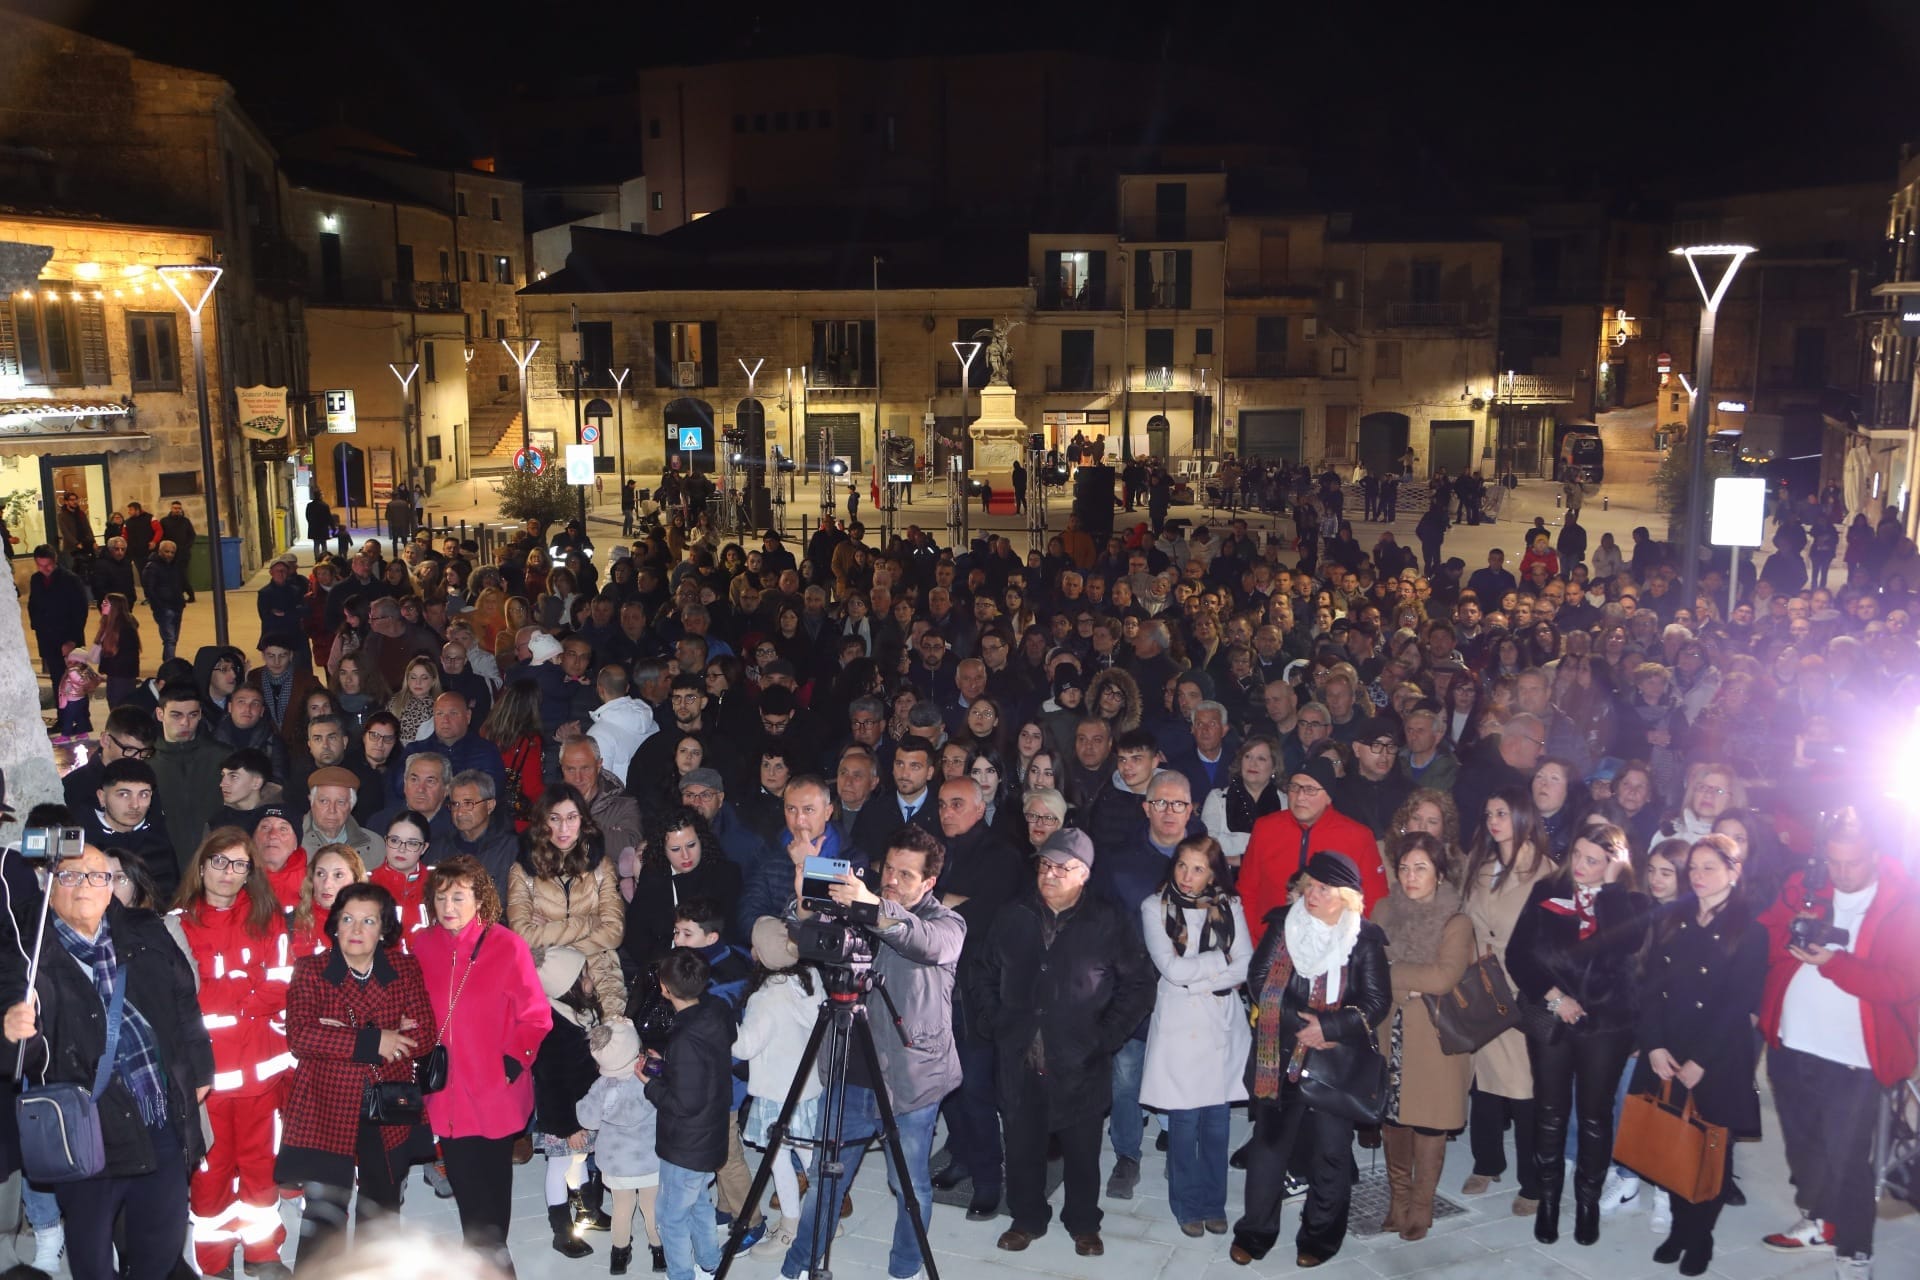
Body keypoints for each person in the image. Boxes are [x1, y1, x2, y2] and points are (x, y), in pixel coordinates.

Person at [0, 845, 214, 1280]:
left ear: (112, 886)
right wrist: (10, 1029)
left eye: (98, 876)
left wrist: (200, 1069)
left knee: (161, 1243)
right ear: (50, 887)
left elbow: (184, 1004)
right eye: (70, 876)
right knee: (92, 1257)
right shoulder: (26, 949)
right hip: (85, 1128)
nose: (85, 886)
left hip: (158, 1113)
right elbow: (16, 1049)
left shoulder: (144, 930)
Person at [777, 824, 966, 1280]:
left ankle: (905, 1267)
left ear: (929, 882)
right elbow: (805, 936)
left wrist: (871, 906)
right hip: (850, 1069)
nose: (892, 881)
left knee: (909, 1185)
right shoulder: (856, 908)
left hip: (910, 1078)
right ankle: (798, 1265)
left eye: (906, 875)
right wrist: (805, 898)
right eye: (889, 870)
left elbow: (919, 940)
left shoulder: (947, 924)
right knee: (825, 1180)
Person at [974, 828, 1156, 1259]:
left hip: (1080, 1058)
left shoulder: (1108, 920)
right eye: (1045, 864)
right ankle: (1026, 1218)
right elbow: (983, 972)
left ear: (1084, 874)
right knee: (1021, 1145)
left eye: (1062, 868)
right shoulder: (1014, 914)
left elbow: (1139, 985)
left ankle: (1083, 1222)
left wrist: (1105, 1037)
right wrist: (996, 1021)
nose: (1050, 874)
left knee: (1082, 1151)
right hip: (1020, 1054)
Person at [1757, 808, 1920, 1276]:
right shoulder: (1805, 886)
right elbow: (1765, 942)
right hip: (1791, 1042)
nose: (1842, 873)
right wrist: (1790, 931)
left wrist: (1833, 963)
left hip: (1854, 1057)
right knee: (1802, 1147)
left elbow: (1902, 984)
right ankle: (1818, 1219)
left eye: (1853, 863)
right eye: (1834, 862)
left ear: (1876, 856)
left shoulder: (1903, 905)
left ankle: (1854, 1249)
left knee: (1847, 1158)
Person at [1231, 850, 1391, 1268]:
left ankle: (1320, 1238)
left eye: (1324, 889)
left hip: (1334, 1063)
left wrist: (1330, 1028)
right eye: (1310, 885)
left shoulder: (1364, 939)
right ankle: (1255, 1233)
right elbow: (1260, 980)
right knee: (1268, 1148)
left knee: (1331, 1152)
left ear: (1346, 897)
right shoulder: (1285, 924)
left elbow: (1376, 1001)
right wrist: (1300, 1025)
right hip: (1280, 1053)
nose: (1312, 894)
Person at [1505, 823, 1651, 1247]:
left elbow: (1627, 943)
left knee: (1594, 1115)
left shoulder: (1631, 902)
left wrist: (1612, 889)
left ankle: (1588, 1204)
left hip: (1607, 1024)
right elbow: (1517, 955)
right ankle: (1549, 1200)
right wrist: (1555, 998)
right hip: (1553, 1017)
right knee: (1549, 1111)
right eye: (1578, 856)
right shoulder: (1548, 891)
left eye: (1594, 861)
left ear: (1615, 864)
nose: (1581, 866)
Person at [277, 882, 436, 1261]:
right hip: (327, 1104)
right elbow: (301, 1037)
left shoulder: (403, 967)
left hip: (388, 1103)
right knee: (324, 1210)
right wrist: (376, 1039)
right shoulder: (312, 969)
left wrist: (339, 1036)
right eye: (348, 919)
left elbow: (425, 1036)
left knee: (382, 1205)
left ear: (384, 929)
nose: (356, 929)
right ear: (335, 924)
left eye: (369, 921)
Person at [1634, 834, 1769, 1276]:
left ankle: (1700, 1236)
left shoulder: (1751, 931)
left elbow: (1739, 1002)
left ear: (1733, 871)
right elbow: (1650, 984)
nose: (1698, 876)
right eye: (1693, 867)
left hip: (1717, 1055)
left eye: (1710, 867)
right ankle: (1679, 1228)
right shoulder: (1672, 918)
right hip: (1669, 1047)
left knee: (1711, 1149)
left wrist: (1702, 1061)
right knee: (1672, 1140)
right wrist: (1654, 1043)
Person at [413, 855, 552, 1271]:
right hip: (446, 1094)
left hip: (495, 1094)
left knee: (491, 1200)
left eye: (458, 897)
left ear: (480, 899)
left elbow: (536, 1017)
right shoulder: (422, 945)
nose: (448, 907)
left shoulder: (507, 945)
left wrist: (511, 1064)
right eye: (441, 897)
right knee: (470, 1199)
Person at [174, 828, 295, 1280]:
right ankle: (215, 1261)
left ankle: (263, 1253)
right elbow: (180, 997)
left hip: (261, 1072)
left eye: (239, 864)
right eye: (220, 862)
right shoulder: (178, 924)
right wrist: (242, 988)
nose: (228, 873)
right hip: (207, 1078)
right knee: (211, 1171)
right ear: (202, 866)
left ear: (250, 873)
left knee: (261, 1165)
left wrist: (231, 998)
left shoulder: (267, 917)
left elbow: (281, 981)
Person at [1140, 834, 1252, 1237]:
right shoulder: (1155, 906)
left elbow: (1246, 965)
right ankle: (1187, 1205)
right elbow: (1171, 969)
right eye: (1182, 865)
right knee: (1184, 1121)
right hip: (1180, 1027)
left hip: (1220, 1024)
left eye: (1198, 869)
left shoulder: (1230, 905)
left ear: (1213, 874)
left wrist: (1200, 978)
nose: (1187, 876)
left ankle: (1213, 1203)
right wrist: (1219, 962)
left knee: (1217, 1123)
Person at [1372, 831, 1472, 1241]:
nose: (1411, 877)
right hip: (1390, 1032)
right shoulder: (1383, 910)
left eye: (1421, 868)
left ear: (1440, 874)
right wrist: (1408, 986)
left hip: (1436, 1039)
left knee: (1430, 1122)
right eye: (1404, 868)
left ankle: (1422, 1205)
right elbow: (1367, 967)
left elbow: (1443, 977)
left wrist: (1393, 974)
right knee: (1393, 1119)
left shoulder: (1456, 920)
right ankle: (1398, 1200)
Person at [1461, 785, 1555, 1213]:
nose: (1493, 821)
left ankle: (1532, 1182)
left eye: (1501, 813)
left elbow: (1551, 941)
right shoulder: (1480, 866)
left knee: (1524, 1090)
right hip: (1483, 984)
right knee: (1484, 1083)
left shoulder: (1545, 871)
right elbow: (1468, 923)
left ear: (1521, 817)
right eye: (1488, 814)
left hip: (1521, 989)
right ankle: (1487, 1162)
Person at [734, 917, 825, 1261]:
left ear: (758, 955)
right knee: (812, 1158)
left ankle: (790, 1227)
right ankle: (825, 1220)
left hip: (777, 1094)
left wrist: (729, 1027)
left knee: (779, 1160)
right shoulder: (811, 978)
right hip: (808, 1088)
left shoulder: (765, 998)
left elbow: (744, 1047)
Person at [645, 947, 732, 1280]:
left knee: (671, 1216)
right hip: (710, 1135)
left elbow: (684, 1104)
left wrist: (650, 1083)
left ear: (665, 989)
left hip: (686, 1145)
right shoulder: (716, 1012)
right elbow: (700, 1074)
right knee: (698, 1203)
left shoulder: (684, 1038)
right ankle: (710, 1262)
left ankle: (682, 1275)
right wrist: (668, 1066)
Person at [507, 784, 629, 1017]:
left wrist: (551, 937)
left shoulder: (601, 866)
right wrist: (587, 922)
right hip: (547, 983)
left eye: (572, 818)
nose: (563, 828)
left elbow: (614, 932)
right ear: (543, 822)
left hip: (601, 975)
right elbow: (523, 937)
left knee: (615, 1036)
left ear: (583, 820)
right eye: (555, 818)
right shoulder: (523, 871)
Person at [530, 946, 608, 1258]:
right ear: (568, 986)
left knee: (578, 1159)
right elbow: (553, 1084)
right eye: (584, 974)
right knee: (560, 1165)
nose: (591, 978)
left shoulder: (581, 1013)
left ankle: (588, 1211)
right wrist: (569, 1127)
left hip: (583, 1108)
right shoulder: (553, 1028)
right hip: (563, 1116)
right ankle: (561, 1231)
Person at [1200, 734, 1284, 866]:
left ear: (1274, 767)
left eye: (1261, 759)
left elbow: (1285, 849)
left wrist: (1234, 847)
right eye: (1247, 756)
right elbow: (1208, 845)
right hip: (1225, 875)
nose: (1252, 763)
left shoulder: (1286, 802)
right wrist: (1260, 847)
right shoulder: (1217, 798)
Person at [27, 546, 89, 691]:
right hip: (48, 639)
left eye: (48, 565)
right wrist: (37, 626)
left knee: (76, 681)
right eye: (40, 565)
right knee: (57, 680)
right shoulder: (36, 579)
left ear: (54, 561)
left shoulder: (70, 580)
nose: (44, 569)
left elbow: (80, 611)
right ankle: (60, 705)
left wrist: (72, 640)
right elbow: (33, 605)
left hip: (68, 637)